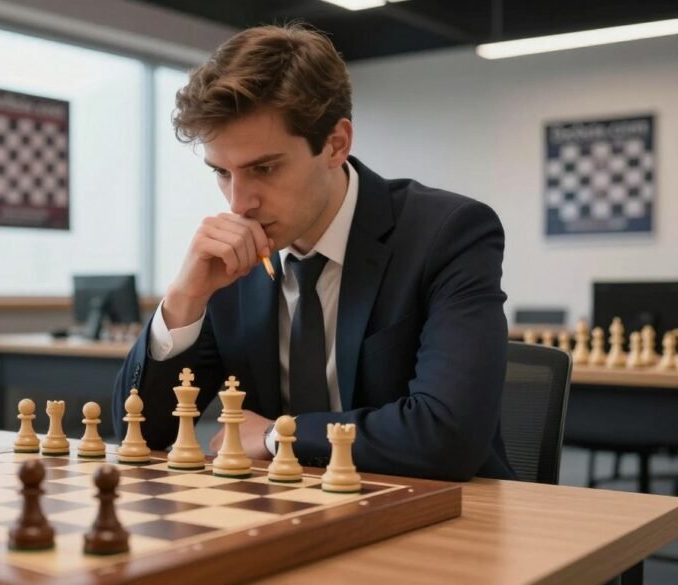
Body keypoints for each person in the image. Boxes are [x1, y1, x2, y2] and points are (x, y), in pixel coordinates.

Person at [112, 23, 514, 481]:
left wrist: (274, 437)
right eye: (221, 172)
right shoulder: (232, 259)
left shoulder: (448, 234)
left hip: (443, 514)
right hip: (285, 515)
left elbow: (448, 436)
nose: (239, 202)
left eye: (263, 168)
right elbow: (137, 431)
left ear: (336, 144)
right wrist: (184, 299)